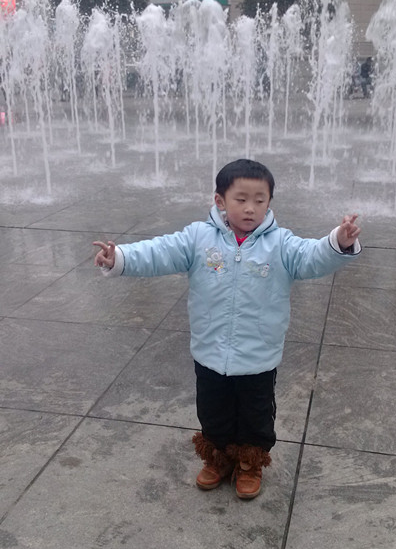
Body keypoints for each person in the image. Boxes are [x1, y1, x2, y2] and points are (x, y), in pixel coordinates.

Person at [93, 159, 361, 500]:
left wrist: (338, 241)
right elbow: (159, 252)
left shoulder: (280, 244)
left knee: (256, 414)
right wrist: (120, 257)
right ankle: (218, 458)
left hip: (258, 355)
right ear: (220, 200)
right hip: (210, 350)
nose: (250, 208)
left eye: (260, 200)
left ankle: (250, 462)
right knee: (213, 411)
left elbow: (312, 257)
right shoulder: (198, 237)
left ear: (269, 202)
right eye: (241, 199)